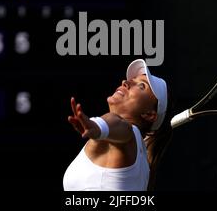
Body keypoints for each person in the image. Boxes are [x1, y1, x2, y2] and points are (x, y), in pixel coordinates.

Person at [63, 59, 173, 191]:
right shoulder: (142, 160)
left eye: (141, 86)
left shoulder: (129, 132)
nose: (126, 82)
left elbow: (117, 123)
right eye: (132, 79)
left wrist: (98, 126)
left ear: (149, 114)